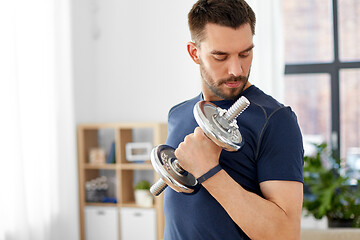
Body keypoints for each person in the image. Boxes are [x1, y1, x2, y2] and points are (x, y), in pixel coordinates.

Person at [164, 0, 304, 239]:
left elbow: (285, 233)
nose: (236, 70)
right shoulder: (178, 114)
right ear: (194, 53)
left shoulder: (275, 120)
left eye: (245, 53)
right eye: (221, 56)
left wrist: (208, 170)